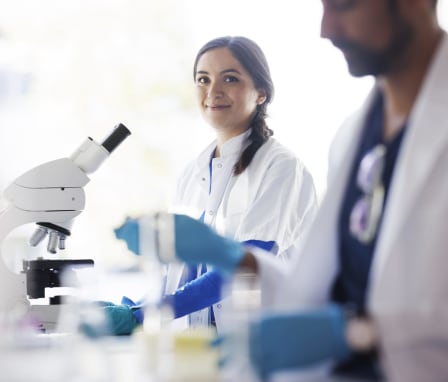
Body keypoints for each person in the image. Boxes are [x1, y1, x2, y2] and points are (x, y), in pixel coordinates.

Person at [117, 0, 448, 380]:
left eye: (343, 5)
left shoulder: (282, 166)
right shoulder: (353, 138)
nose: (326, 28)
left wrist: (356, 333)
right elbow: (316, 291)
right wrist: (231, 258)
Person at [110, 36, 317, 334]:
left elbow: (245, 264)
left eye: (229, 78)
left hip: (273, 342)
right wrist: (132, 309)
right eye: (203, 79)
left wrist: (144, 315)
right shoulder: (192, 174)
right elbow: (180, 277)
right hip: (208, 344)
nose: (213, 91)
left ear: (261, 93)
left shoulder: (280, 167)